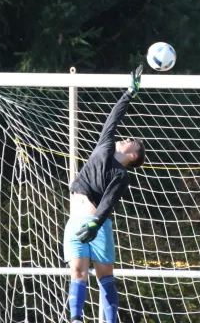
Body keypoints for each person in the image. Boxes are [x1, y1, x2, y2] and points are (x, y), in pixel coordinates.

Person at [63, 65, 147, 323]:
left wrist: (95, 224)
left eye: (132, 141)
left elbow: (108, 201)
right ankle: (76, 319)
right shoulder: (106, 145)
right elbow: (114, 117)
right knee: (77, 272)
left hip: (96, 226)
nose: (127, 138)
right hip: (75, 222)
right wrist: (129, 93)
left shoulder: (122, 176)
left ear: (132, 156)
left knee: (104, 276)